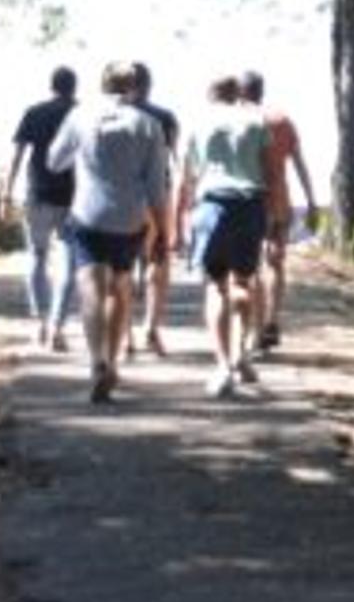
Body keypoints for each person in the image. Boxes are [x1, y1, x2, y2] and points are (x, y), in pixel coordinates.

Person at [45, 61, 174, 406]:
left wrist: (81, 158)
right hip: (130, 218)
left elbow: (54, 161)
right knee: (120, 286)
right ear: (134, 87)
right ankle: (113, 361)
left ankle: (96, 361)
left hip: (88, 213)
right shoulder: (149, 125)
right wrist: (163, 230)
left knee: (90, 287)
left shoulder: (80, 116)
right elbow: (156, 187)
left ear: (102, 84)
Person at [182, 73, 277, 399]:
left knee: (216, 285)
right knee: (243, 282)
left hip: (213, 205)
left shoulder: (199, 122)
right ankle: (240, 353)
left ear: (210, 95)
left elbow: (188, 176)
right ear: (237, 95)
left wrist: (183, 217)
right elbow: (272, 172)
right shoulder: (257, 122)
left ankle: (223, 365)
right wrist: (275, 215)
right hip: (250, 204)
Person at [1, 65, 82, 351]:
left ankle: (41, 323)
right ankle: (58, 327)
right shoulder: (82, 115)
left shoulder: (34, 113)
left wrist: (6, 194)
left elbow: (17, 156)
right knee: (70, 262)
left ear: (51, 86)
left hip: (38, 194)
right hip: (73, 198)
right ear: (75, 87)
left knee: (37, 256)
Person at [244, 67, 316, 353]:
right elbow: (299, 162)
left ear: (241, 92)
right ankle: (272, 320)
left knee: (251, 266)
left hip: (248, 201)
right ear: (261, 90)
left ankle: (256, 328)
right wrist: (311, 200)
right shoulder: (282, 121)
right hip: (279, 200)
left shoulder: (239, 121)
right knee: (275, 261)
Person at [125, 60, 183, 361]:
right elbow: (175, 159)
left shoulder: (112, 117)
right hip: (159, 194)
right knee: (158, 261)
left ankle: (125, 335)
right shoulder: (166, 117)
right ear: (149, 85)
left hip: (123, 197)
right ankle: (151, 327)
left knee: (120, 267)